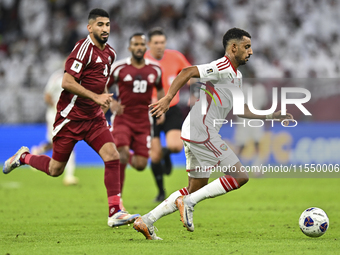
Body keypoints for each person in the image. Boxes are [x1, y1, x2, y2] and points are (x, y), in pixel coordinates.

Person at [133, 28, 293, 240]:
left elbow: (241, 110)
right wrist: (168, 97)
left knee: (195, 187)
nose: (251, 52)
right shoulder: (222, 65)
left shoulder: (235, 75)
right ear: (233, 47)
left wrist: (272, 116)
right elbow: (187, 72)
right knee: (240, 176)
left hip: (195, 130)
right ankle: (188, 203)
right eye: (247, 47)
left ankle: (147, 220)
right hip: (203, 131)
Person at [2, 8, 139, 228]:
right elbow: (67, 82)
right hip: (70, 118)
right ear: (90, 27)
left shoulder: (110, 53)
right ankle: (24, 157)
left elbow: (99, 83)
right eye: (100, 25)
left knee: (112, 156)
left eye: (107, 25)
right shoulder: (82, 49)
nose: (105, 29)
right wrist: (96, 97)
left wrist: (103, 104)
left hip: (93, 118)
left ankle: (115, 211)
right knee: (56, 170)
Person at [108, 33, 164, 210]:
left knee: (141, 165)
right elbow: (103, 86)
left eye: (141, 44)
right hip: (123, 118)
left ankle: (125, 156)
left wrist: (161, 108)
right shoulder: (119, 68)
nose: (139, 47)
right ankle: (118, 201)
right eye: (135, 45)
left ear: (145, 47)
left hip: (143, 120)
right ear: (130, 48)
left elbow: (161, 90)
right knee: (122, 153)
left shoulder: (155, 69)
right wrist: (112, 102)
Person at [145, 27, 191, 202]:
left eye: (162, 42)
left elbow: (190, 72)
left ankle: (166, 154)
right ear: (149, 44)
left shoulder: (175, 57)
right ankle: (160, 191)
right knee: (154, 156)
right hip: (151, 111)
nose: (159, 46)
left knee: (176, 147)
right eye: (156, 43)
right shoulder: (143, 61)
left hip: (171, 108)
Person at [31, 67, 78, 186]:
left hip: (67, 116)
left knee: (61, 143)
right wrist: (57, 109)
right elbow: (47, 96)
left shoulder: (77, 78)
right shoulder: (57, 77)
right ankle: (69, 176)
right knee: (64, 143)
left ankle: (38, 151)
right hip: (54, 115)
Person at [234, 82, 268, 177]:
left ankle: (257, 168)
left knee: (257, 144)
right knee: (241, 145)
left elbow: (263, 106)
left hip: (255, 118)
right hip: (244, 119)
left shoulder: (260, 89)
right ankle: (234, 169)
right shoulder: (242, 87)